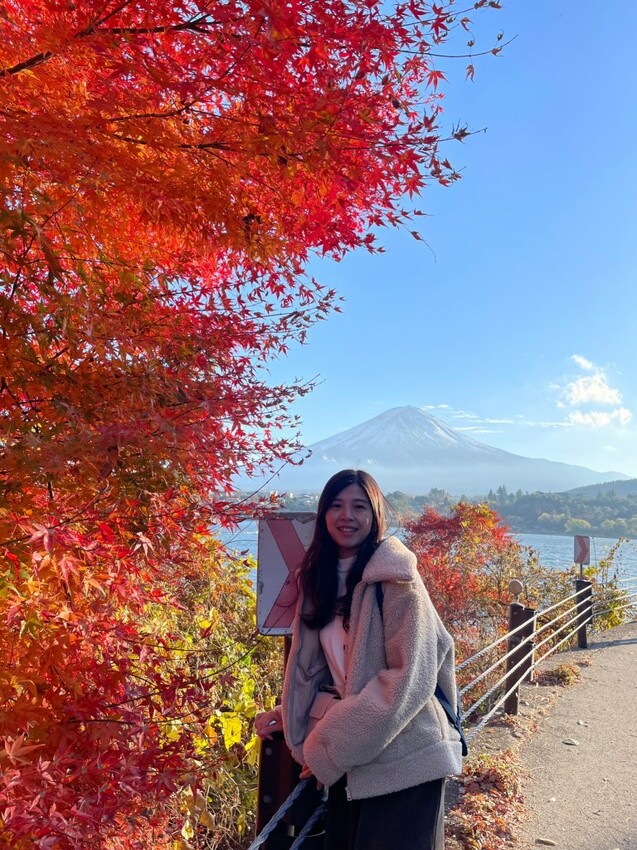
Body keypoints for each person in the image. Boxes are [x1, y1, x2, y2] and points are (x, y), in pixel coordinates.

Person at [255, 469, 462, 850]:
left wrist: (327, 750)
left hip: (406, 760)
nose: (346, 515)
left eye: (358, 506)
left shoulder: (397, 581)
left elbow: (406, 680)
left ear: (375, 515)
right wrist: (292, 714)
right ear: (323, 514)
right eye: (336, 505)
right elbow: (328, 674)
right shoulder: (317, 581)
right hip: (355, 758)